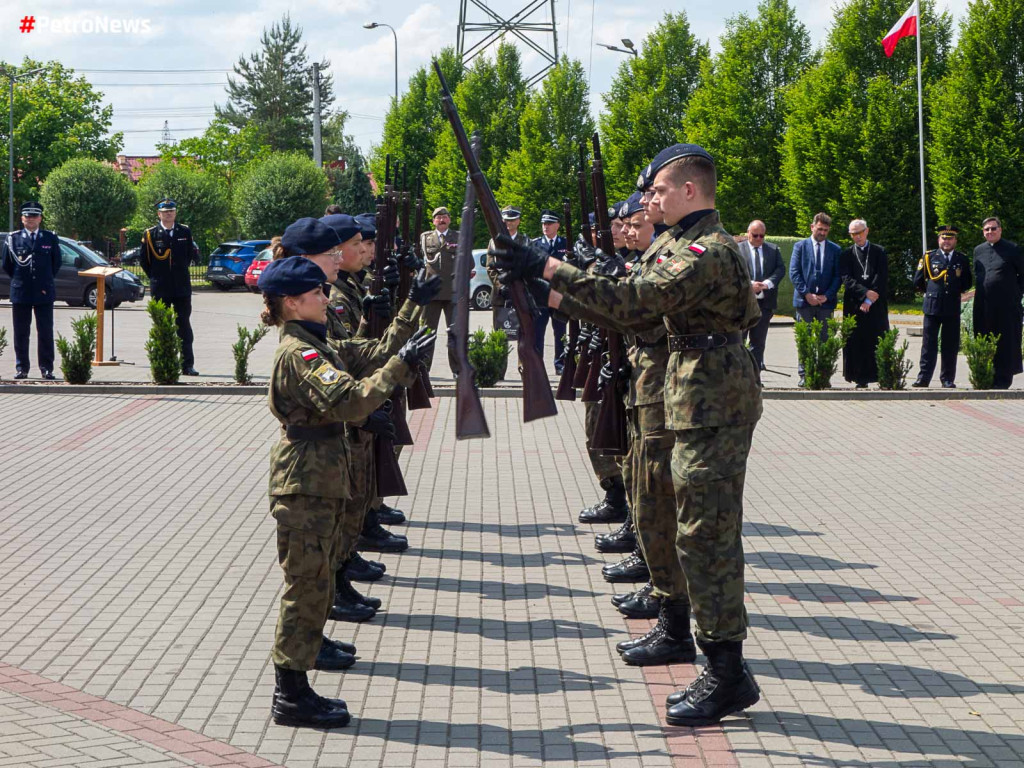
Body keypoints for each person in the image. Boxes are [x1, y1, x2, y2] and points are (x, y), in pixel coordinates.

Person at [490, 142, 763, 726]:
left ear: (690, 190)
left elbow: (638, 299)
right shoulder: (679, 244)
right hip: (689, 394)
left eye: (660, 190)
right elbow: (629, 308)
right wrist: (550, 290)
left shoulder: (708, 250)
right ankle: (692, 641)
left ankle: (727, 672)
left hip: (712, 399)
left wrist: (545, 265)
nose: (649, 199)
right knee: (678, 521)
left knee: (706, 534)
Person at [258, 252, 435, 729]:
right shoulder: (300, 354)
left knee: (316, 586)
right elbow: (353, 401)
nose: (323, 297)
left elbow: (367, 354)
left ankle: (299, 684)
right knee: (305, 588)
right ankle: (290, 694)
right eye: (314, 293)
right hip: (305, 483)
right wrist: (400, 367)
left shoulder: (316, 341)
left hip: (321, 480)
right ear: (292, 303)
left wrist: (407, 330)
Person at [140, 198, 200, 376]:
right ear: (159, 214)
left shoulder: (184, 231)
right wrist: (157, 277)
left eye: (171, 211)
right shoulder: (151, 234)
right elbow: (145, 261)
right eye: (165, 211)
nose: (168, 214)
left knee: (184, 326)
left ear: (175, 213)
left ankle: (187, 365)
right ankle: (163, 365)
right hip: (161, 288)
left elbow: (190, 255)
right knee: (162, 327)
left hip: (181, 288)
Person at [2, 201, 61, 379]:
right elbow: (7, 265)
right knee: (21, 332)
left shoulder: (49, 238)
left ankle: (47, 368)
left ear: (40, 218)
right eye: (27, 216)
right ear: (22, 218)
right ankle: (22, 368)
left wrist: (44, 281)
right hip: (21, 291)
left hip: (44, 291)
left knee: (45, 331)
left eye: (34, 216)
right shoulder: (13, 238)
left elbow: (55, 263)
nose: (31, 219)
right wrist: (22, 281)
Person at [913, 226, 972, 388]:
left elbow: (967, 282)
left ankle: (947, 379)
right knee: (928, 344)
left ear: (955, 240)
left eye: (950, 238)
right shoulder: (929, 257)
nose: (947, 241)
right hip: (932, 306)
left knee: (950, 345)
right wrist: (932, 293)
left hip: (952, 307)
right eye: (944, 238)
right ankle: (923, 378)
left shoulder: (962, 259)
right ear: (939, 240)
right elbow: (918, 280)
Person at [790, 212, 841, 386]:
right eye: (820, 229)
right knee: (804, 339)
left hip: (825, 304)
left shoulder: (835, 249)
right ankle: (804, 375)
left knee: (824, 340)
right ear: (812, 227)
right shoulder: (800, 247)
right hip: (804, 302)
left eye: (826, 230)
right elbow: (794, 273)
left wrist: (827, 296)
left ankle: (823, 376)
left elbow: (837, 277)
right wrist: (807, 294)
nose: (822, 233)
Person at [972, 217, 1024, 388]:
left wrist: (1016, 296)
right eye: (986, 229)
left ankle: (1003, 379)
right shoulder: (978, 250)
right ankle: (985, 377)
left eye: (993, 228)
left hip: (1007, 306)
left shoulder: (1013, 249)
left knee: (1005, 343)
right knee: (984, 339)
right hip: (983, 305)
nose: (990, 232)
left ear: (1000, 230)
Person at [840, 219, 889, 388]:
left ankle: (881, 375)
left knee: (877, 339)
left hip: (876, 303)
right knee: (857, 341)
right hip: (854, 303)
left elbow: (881, 276)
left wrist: (870, 297)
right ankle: (860, 378)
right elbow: (846, 278)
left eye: (860, 232)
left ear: (866, 231)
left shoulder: (879, 251)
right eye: (853, 234)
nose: (857, 236)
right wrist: (864, 293)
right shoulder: (846, 254)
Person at [737, 220, 784, 371]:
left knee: (758, 344)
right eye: (755, 235)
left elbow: (780, 269)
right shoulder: (737, 249)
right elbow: (733, 271)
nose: (758, 239)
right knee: (738, 342)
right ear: (748, 233)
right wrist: (750, 284)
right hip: (743, 305)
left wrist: (767, 283)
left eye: (761, 236)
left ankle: (755, 377)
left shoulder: (773, 249)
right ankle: (739, 376)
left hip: (764, 305)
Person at [419, 206, 459, 371]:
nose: (441, 220)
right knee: (427, 333)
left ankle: (457, 370)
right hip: (431, 293)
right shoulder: (425, 238)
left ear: (449, 219)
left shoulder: (458, 237)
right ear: (433, 221)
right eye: (438, 217)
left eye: (444, 217)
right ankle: (424, 369)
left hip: (453, 292)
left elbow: (467, 263)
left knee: (455, 334)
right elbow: (420, 263)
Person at [532, 210, 568, 372]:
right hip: (540, 296)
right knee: (538, 332)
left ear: (557, 225)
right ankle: (537, 364)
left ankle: (560, 364)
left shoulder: (565, 244)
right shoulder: (535, 245)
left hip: (559, 295)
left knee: (560, 332)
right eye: (543, 224)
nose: (545, 227)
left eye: (549, 224)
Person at [486, 206, 530, 331]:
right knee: (500, 334)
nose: (509, 223)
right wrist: (500, 285)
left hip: (520, 294)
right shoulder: (494, 241)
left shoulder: (525, 241)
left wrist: (518, 284)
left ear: (518, 221)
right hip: (500, 295)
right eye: (506, 220)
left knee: (523, 333)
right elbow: (490, 267)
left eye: (512, 220)